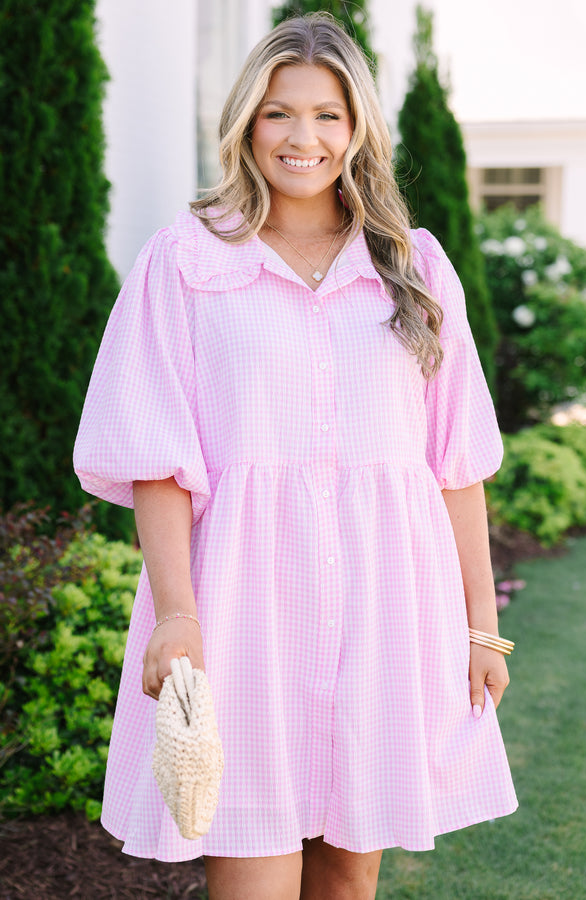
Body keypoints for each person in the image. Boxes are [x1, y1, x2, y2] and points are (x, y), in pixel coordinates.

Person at [74, 13, 517, 899]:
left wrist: (479, 626)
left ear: (357, 131)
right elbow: (161, 460)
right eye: (279, 113)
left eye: (327, 115)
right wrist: (176, 616)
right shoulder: (187, 262)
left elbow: (454, 463)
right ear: (246, 122)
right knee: (254, 879)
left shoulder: (416, 269)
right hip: (240, 606)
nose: (302, 137)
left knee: (351, 883)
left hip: (389, 605)